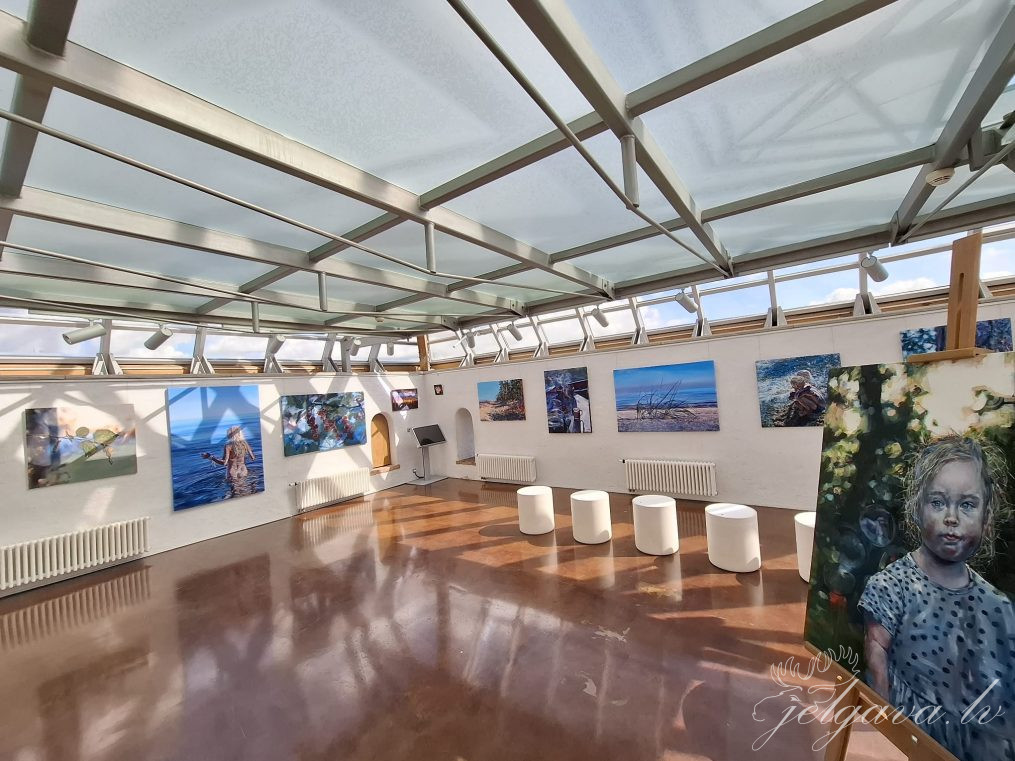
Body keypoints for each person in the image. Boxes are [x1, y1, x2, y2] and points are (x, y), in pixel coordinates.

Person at [858, 436, 1014, 760]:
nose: (951, 517)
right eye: (938, 502)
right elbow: (877, 675)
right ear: (917, 508)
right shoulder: (892, 586)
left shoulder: (1000, 608)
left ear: (986, 518)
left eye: (967, 505)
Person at [201, 425, 257, 497]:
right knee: (244, 489)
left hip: (232, 472)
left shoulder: (228, 446)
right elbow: (253, 458)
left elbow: (224, 463)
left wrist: (211, 457)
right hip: (243, 470)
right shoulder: (245, 443)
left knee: (235, 494)